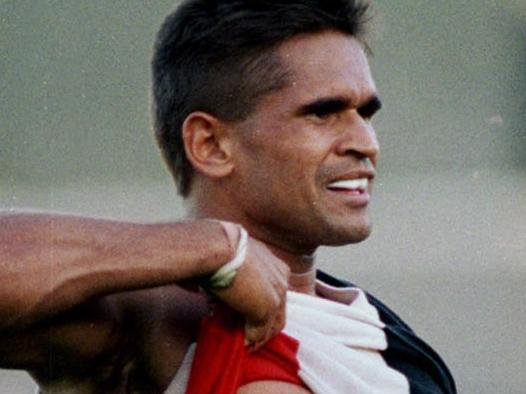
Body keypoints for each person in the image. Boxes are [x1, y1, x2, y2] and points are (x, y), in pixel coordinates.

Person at [0, 0, 456, 393]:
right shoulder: (153, 319)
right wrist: (217, 247)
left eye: (365, 113)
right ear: (210, 145)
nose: (365, 142)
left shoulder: (387, 335)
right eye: (323, 113)